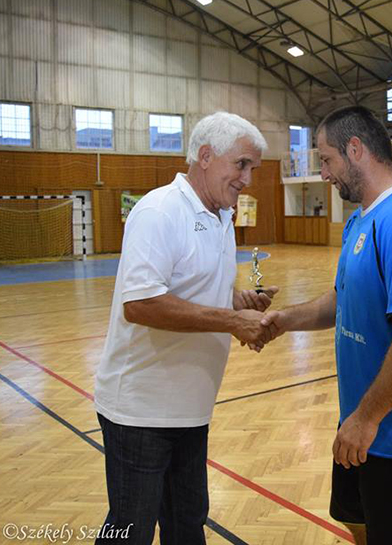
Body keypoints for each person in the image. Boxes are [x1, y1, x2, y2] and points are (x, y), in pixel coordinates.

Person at [260, 105, 392, 545]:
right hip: (362, 423)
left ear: (356, 149)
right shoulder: (361, 219)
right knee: (361, 526)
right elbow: (343, 299)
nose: (324, 173)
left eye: (327, 159)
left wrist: (366, 419)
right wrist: (282, 321)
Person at [93, 112, 279, 544]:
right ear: (207, 156)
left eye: (252, 168)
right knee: (131, 530)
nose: (248, 179)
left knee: (186, 523)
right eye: (242, 165)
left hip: (192, 408)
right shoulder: (159, 211)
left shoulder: (221, 216)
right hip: (141, 412)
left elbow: (195, 283)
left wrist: (237, 300)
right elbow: (140, 304)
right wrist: (233, 321)